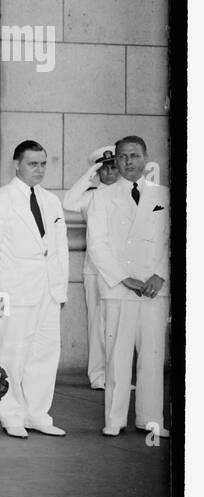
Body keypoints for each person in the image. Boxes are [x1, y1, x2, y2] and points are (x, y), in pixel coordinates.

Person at [0, 140, 69, 439]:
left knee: (44, 355)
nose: (39, 169)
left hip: (47, 292)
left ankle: (37, 414)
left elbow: (60, 249)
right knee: (12, 356)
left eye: (43, 163)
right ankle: (11, 415)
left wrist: (60, 289)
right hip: (15, 292)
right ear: (17, 164)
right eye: (32, 163)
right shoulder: (0, 200)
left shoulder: (51, 201)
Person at [86, 136, 169, 438]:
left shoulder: (163, 195)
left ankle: (150, 419)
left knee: (152, 355)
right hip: (119, 287)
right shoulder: (102, 197)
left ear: (146, 158)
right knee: (117, 357)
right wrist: (124, 278)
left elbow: (171, 239)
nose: (128, 161)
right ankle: (115, 418)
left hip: (153, 288)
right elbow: (97, 245)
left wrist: (160, 274)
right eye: (122, 156)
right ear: (116, 160)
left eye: (134, 155)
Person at [63, 144, 121, 390]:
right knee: (97, 323)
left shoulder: (129, 194)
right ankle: (98, 375)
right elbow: (68, 201)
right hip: (95, 270)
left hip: (121, 273)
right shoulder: (90, 195)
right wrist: (90, 173)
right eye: (104, 168)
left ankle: (117, 376)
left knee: (118, 325)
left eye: (113, 167)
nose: (109, 173)